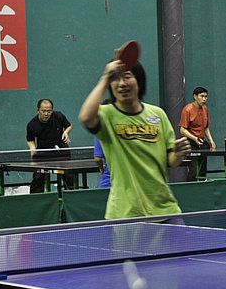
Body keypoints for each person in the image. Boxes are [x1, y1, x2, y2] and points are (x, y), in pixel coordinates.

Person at [79, 58, 190, 219]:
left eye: (127, 76)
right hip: (126, 214)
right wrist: (105, 77)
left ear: (139, 80)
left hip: (166, 210)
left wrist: (178, 154)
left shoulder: (157, 114)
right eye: (115, 79)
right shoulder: (107, 114)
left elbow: (170, 161)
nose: (121, 83)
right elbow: (85, 117)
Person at [25, 99, 73, 193]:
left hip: (61, 151)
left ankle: (71, 195)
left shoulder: (58, 116)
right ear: (38, 110)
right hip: (43, 154)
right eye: (43, 111)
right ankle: (36, 198)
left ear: (52, 110)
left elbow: (69, 126)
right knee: (38, 178)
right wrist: (32, 148)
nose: (46, 114)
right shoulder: (32, 125)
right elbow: (30, 140)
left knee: (69, 176)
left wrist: (66, 132)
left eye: (49, 111)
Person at [179, 86, 217, 181]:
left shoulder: (205, 109)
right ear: (195, 97)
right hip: (190, 143)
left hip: (201, 143)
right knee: (193, 171)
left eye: (206, 96)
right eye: (202, 96)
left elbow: (206, 127)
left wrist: (211, 141)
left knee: (203, 169)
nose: (204, 99)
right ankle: (190, 188)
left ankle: (202, 186)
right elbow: (182, 130)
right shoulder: (187, 109)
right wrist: (194, 138)